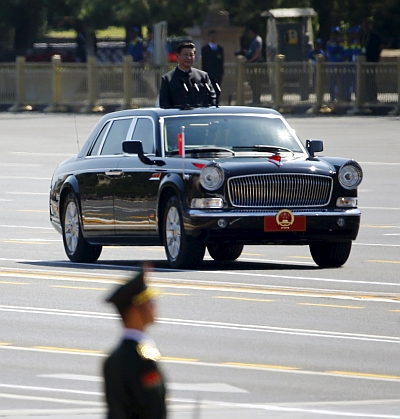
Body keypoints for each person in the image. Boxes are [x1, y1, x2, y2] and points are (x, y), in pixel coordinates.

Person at [103, 266, 166, 419]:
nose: (153, 305)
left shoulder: (112, 359)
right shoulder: (143, 360)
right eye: (148, 301)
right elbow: (153, 410)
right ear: (134, 310)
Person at [159, 42, 216, 108]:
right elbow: (164, 103)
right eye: (185, 55)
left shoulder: (202, 76)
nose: (188, 58)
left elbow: (212, 97)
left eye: (191, 55)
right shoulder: (168, 79)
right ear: (177, 56)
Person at [361, 19, 383, 102]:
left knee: (371, 79)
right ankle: (366, 96)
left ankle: (373, 96)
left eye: (367, 25)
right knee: (365, 80)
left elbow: (380, 47)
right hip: (364, 62)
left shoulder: (375, 36)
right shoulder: (363, 36)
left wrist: (377, 57)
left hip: (372, 60)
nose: (365, 27)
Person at [201, 30, 224, 104]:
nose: (213, 38)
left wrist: (221, 72)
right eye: (211, 36)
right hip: (208, 73)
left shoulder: (220, 49)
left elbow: (221, 62)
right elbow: (204, 63)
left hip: (217, 74)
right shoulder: (205, 49)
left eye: (214, 36)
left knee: (217, 89)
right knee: (208, 89)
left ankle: (217, 103)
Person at [244, 25, 263, 105]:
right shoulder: (254, 40)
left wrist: (251, 60)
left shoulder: (257, 40)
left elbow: (257, 51)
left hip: (256, 64)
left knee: (256, 83)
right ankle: (255, 99)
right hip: (253, 64)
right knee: (252, 83)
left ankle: (257, 100)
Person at [326, 26, 345, 102]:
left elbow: (344, 50)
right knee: (333, 81)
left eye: (337, 34)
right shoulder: (329, 42)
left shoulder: (343, 41)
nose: (336, 35)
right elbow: (331, 50)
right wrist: (336, 44)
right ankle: (332, 96)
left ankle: (342, 96)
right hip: (333, 64)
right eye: (334, 34)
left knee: (342, 81)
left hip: (341, 64)